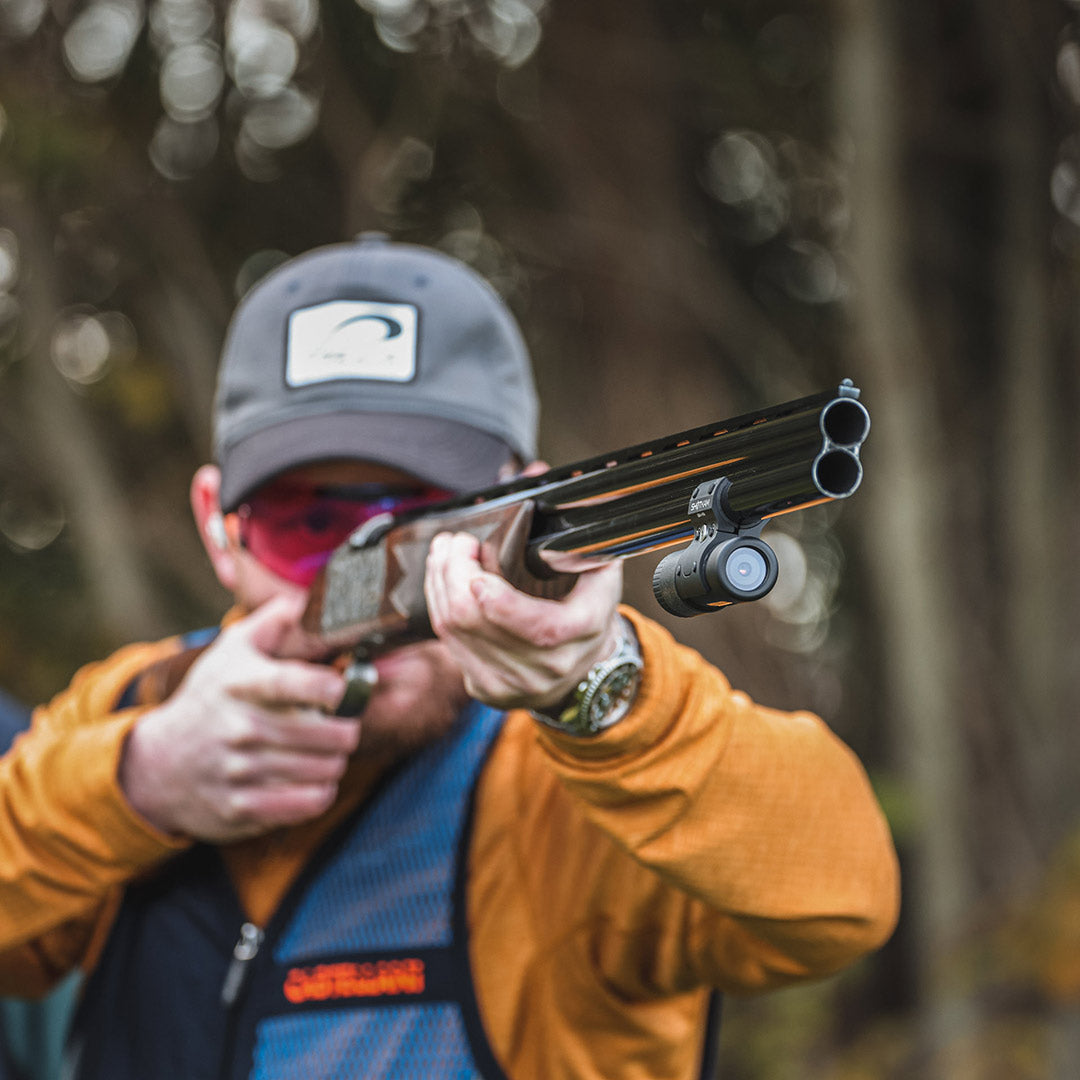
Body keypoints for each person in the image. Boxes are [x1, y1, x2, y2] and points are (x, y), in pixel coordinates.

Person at [0, 234, 899, 1079]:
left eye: (429, 516)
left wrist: (601, 695)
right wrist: (141, 781)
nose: (369, 572)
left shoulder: (583, 779)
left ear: (521, 496)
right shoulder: (135, 706)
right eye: (306, 525)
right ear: (217, 526)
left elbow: (844, 899)